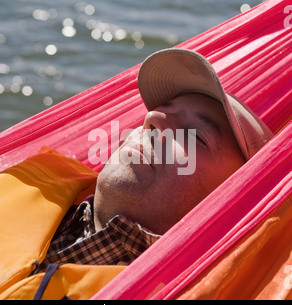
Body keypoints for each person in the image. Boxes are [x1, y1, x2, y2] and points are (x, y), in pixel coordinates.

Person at [41, 48, 273, 269]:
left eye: (198, 137)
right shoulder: (33, 188)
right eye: (162, 110)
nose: (152, 119)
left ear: (232, 201)